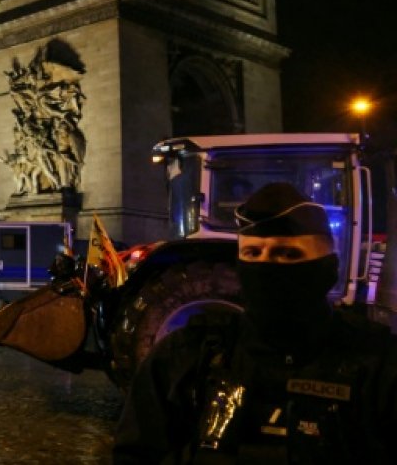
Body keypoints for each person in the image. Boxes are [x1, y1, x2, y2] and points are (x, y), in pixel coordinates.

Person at [113, 182, 397, 463]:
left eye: (288, 254)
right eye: (252, 254)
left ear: (328, 267)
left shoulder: (378, 364)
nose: (267, 267)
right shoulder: (185, 356)